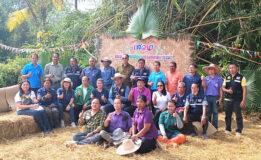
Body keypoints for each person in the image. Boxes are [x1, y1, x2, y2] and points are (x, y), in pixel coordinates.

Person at [222, 63, 247, 136]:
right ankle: (228, 129)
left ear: (237, 68)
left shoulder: (242, 78)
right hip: (228, 100)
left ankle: (239, 130)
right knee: (227, 116)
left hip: (237, 100)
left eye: (233, 67)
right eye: (230, 68)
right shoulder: (227, 77)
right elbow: (223, 88)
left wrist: (243, 100)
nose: (231, 69)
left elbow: (244, 90)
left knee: (238, 116)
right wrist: (227, 91)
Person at [201, 64, 223, 129]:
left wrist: (221, 98)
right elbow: (204, 86)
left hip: (215, 97)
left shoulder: (218, 79)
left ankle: (214, 127)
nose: (210, 70)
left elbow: (221, 89)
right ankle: (208, 126)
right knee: (208, 113)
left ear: (214, 70)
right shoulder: (206, 78)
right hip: (207, 97)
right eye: (209, 69)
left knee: (215, 113)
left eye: (211, 69)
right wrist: (202, 80)